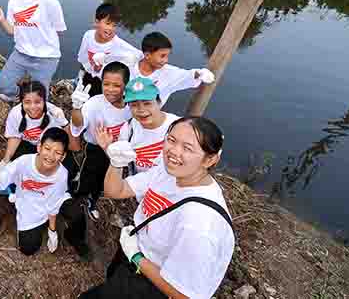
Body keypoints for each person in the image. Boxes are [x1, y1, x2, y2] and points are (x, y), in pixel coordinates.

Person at [80, 116, 235, 299]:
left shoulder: (199, 225)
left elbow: (184, 295)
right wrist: (116, 163)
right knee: (112, 280)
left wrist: (137, 257)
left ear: (209, 160)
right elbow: (117, 190)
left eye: (187, 148)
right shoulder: (168, 171)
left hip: (153, 283)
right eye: (171, 140)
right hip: (135, 250)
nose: (174, 152)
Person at [0, 128, 89, 259]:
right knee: (28, 248)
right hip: (30, 204)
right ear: (39, 147)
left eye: (57, 152)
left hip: (52, 202)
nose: (50, 156)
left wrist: (52, 230)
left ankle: (75, 238)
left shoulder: (61, 175)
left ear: (63, 156)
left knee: (76, 212)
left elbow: (54, 203)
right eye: (47, 148)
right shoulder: (24, 162)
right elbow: (1, 176)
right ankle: (37, 226)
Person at [68, 61, 131, 221]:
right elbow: (78, 124)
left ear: (126, 85)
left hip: (116, 154)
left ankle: (92, 201)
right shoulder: (95, 103)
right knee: (87, 177)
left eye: (116, 85)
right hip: (94, 150)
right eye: (106, 84)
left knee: (103, 180)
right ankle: (75, 198)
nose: (110, 89)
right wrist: (76, 108)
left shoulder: (132, 106)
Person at [0, 80, 69, 202]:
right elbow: (15, 137)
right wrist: (6, 159)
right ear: (21, 102)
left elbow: (66, 143)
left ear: (44, 101)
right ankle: (17, 189)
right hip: (26, 144)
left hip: (48, 147)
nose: (32, 107)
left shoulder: (54, 115)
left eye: (37, 102)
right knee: (16, 167)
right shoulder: (15, 114)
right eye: (27, 102)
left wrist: (65, 124)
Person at [96, 78, 180, 174]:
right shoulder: (128, 129)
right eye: (134, 105)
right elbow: (122, 164)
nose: (141, 109)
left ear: (159, 102)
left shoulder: (179, 127)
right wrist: (107, 147)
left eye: (147, 103)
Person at [130, 32, 215, 106]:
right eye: (162, 56)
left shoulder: (169, 74)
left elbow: (189, 75)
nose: (166, 60)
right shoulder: (129, 66)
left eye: (167, 56)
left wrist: (201, 74)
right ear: (147, 55)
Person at [77, 3, 141, 97]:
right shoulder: (88, 35)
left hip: (105, 84)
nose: (110, 28)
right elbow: (83, 57)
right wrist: (80, 75)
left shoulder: (118, 44)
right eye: (107, 23)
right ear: (96, 22)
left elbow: (140, 56)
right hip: (88, 76)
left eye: (114, 25)